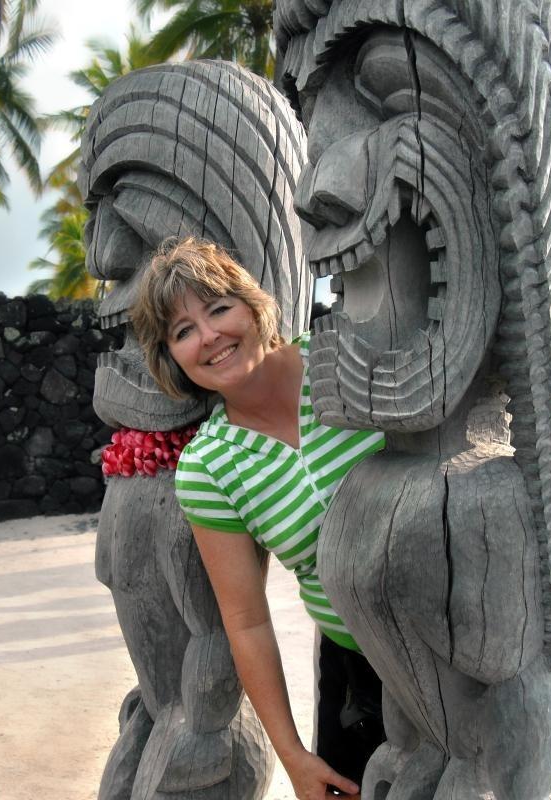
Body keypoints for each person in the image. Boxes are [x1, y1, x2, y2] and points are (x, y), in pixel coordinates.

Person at [131, 237, 386, 800]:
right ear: (170, 357)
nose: (210, 336)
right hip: (358, 679)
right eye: (183, 330)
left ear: (253, 306)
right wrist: (294, 756)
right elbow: (246, 620)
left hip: (458, 639)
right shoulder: (209, 466)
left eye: (219, 308)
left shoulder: (341, 360)